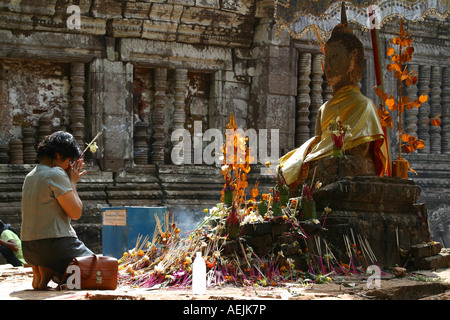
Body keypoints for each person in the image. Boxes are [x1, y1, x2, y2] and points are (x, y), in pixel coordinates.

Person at [278, 7, 388, 188]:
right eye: (326, 58)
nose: (327, 65)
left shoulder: (364, 105)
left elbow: (359, 151)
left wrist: (319, 154)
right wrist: (306, 154)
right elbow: (319, 142)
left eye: (335, 57)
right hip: (324, 163)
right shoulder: (324, 108)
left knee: (338, 166)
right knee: (285, 166)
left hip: (344, 168)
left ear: (353, 59)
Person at [21, 131, 93, 290]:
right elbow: (76, 213)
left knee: (71, 273)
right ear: (59, 155)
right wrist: (72, 182)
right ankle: (50, 269)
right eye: (69, 160)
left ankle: (44, 270)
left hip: (29, 250)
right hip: (54, 246)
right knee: (98, 268)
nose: (70, 166)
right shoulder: (56, 173)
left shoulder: (31, 175)